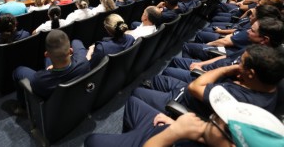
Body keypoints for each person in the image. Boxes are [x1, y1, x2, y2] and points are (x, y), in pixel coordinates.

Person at [85, 86, 284, 147]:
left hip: (161, 139)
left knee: (93, 140)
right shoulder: (217, 139)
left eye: (217, 121)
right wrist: (176, 124)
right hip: (172, 129)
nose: (211, 117)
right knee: (134, 103)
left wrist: (173, 132)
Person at [133, 44, 284, 118]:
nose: (238, 65)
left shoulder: (241, 99)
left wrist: (226, 70)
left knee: (135, 96)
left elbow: (194, 87)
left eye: (241, 63)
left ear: (251, 74)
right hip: (190, 90)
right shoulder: (268, 86)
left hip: (182, 102)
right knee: (158, 79)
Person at [12, 30, 90, 114]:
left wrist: (50, 69)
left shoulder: (39, 80)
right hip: (74, 101)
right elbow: (76, 41)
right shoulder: (84, 62)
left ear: (46, 54)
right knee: (48, 61)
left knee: (18, 71)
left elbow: (37, 84)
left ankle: (23, 107)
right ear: (71, 51)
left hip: (53, 108)